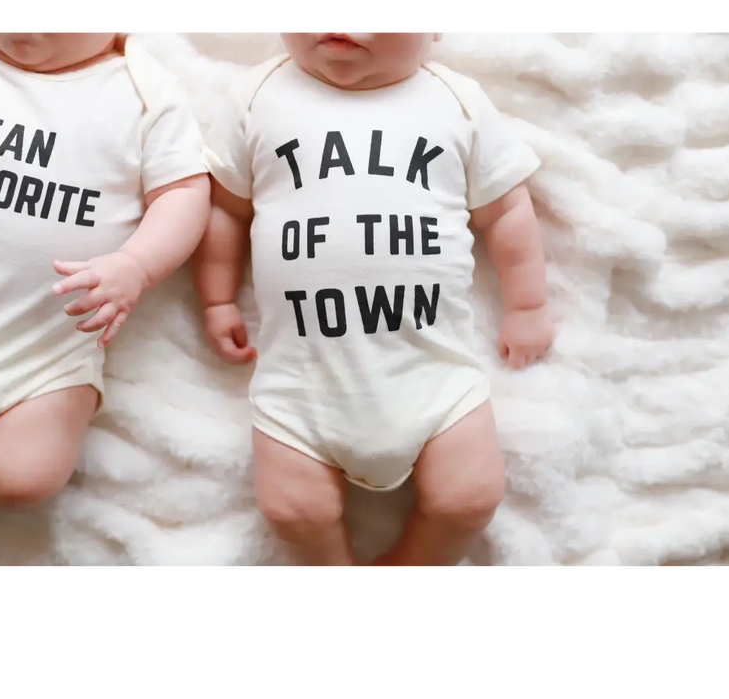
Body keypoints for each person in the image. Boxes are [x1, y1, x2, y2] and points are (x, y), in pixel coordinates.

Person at [197, 30, 554, 568]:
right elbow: (226, 209)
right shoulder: (257, 97)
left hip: (434, 376)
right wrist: (217, 299)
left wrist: (527, 306)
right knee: (294, 512)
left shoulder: (456, 102)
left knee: (469, 499)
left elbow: (506, 211)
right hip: (301, 386)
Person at [0, 30, 211, 551]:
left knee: (21, 478)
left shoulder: (144, 92)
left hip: (35, 367)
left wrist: (136, 265)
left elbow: (183, 191)